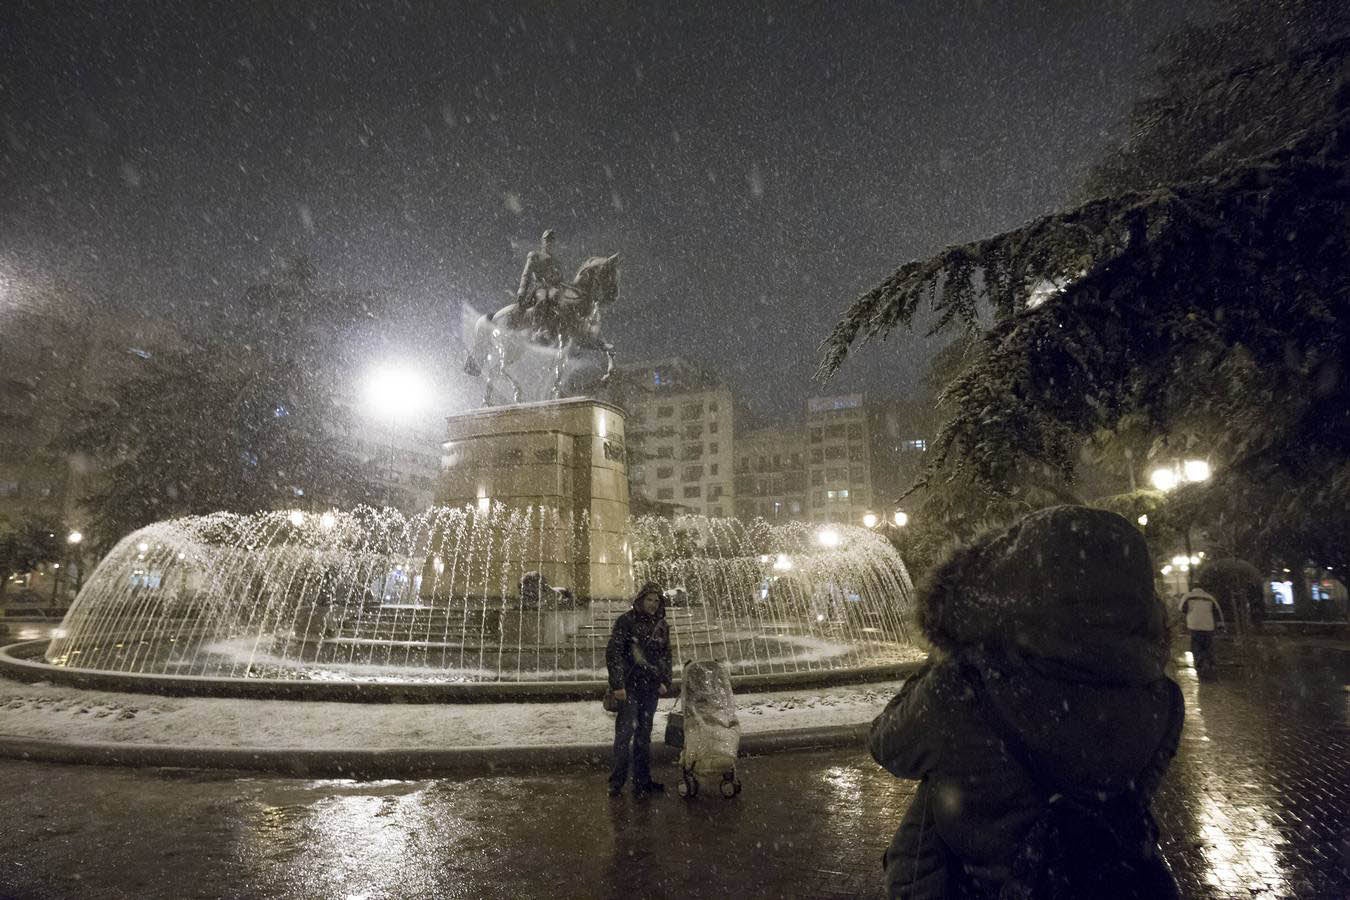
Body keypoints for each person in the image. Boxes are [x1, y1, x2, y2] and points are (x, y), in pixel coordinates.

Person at [869, 506, 1183, 899]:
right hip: (1103, 881)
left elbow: (888, 744)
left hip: (972, 886)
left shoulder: (964, 688)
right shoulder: (1161, 697)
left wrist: (950, 653)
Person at [606, 581, 673, 798]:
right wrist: (617, 685)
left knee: (644, 735)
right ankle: (617, 782)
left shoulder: (661, 625)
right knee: (625, 734)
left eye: (656, 600)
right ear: (640, 600)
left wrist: (666, 681)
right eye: (649, 599)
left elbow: (666, 655)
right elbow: (614, 652)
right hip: (629, 687)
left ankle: (642, 782)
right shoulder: (626, 621)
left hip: (650, 688)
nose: (653, 604)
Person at [1180, 586, 1224, 680]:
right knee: (1208, 646)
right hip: (1208, 626)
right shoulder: (1209, 597)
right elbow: (1217, 611)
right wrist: (1220, 625)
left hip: (1194, 625)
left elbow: (1182, 610)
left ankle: (1199, 666)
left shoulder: (1188, 596)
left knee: (1196, 645)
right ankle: (1211, 666)